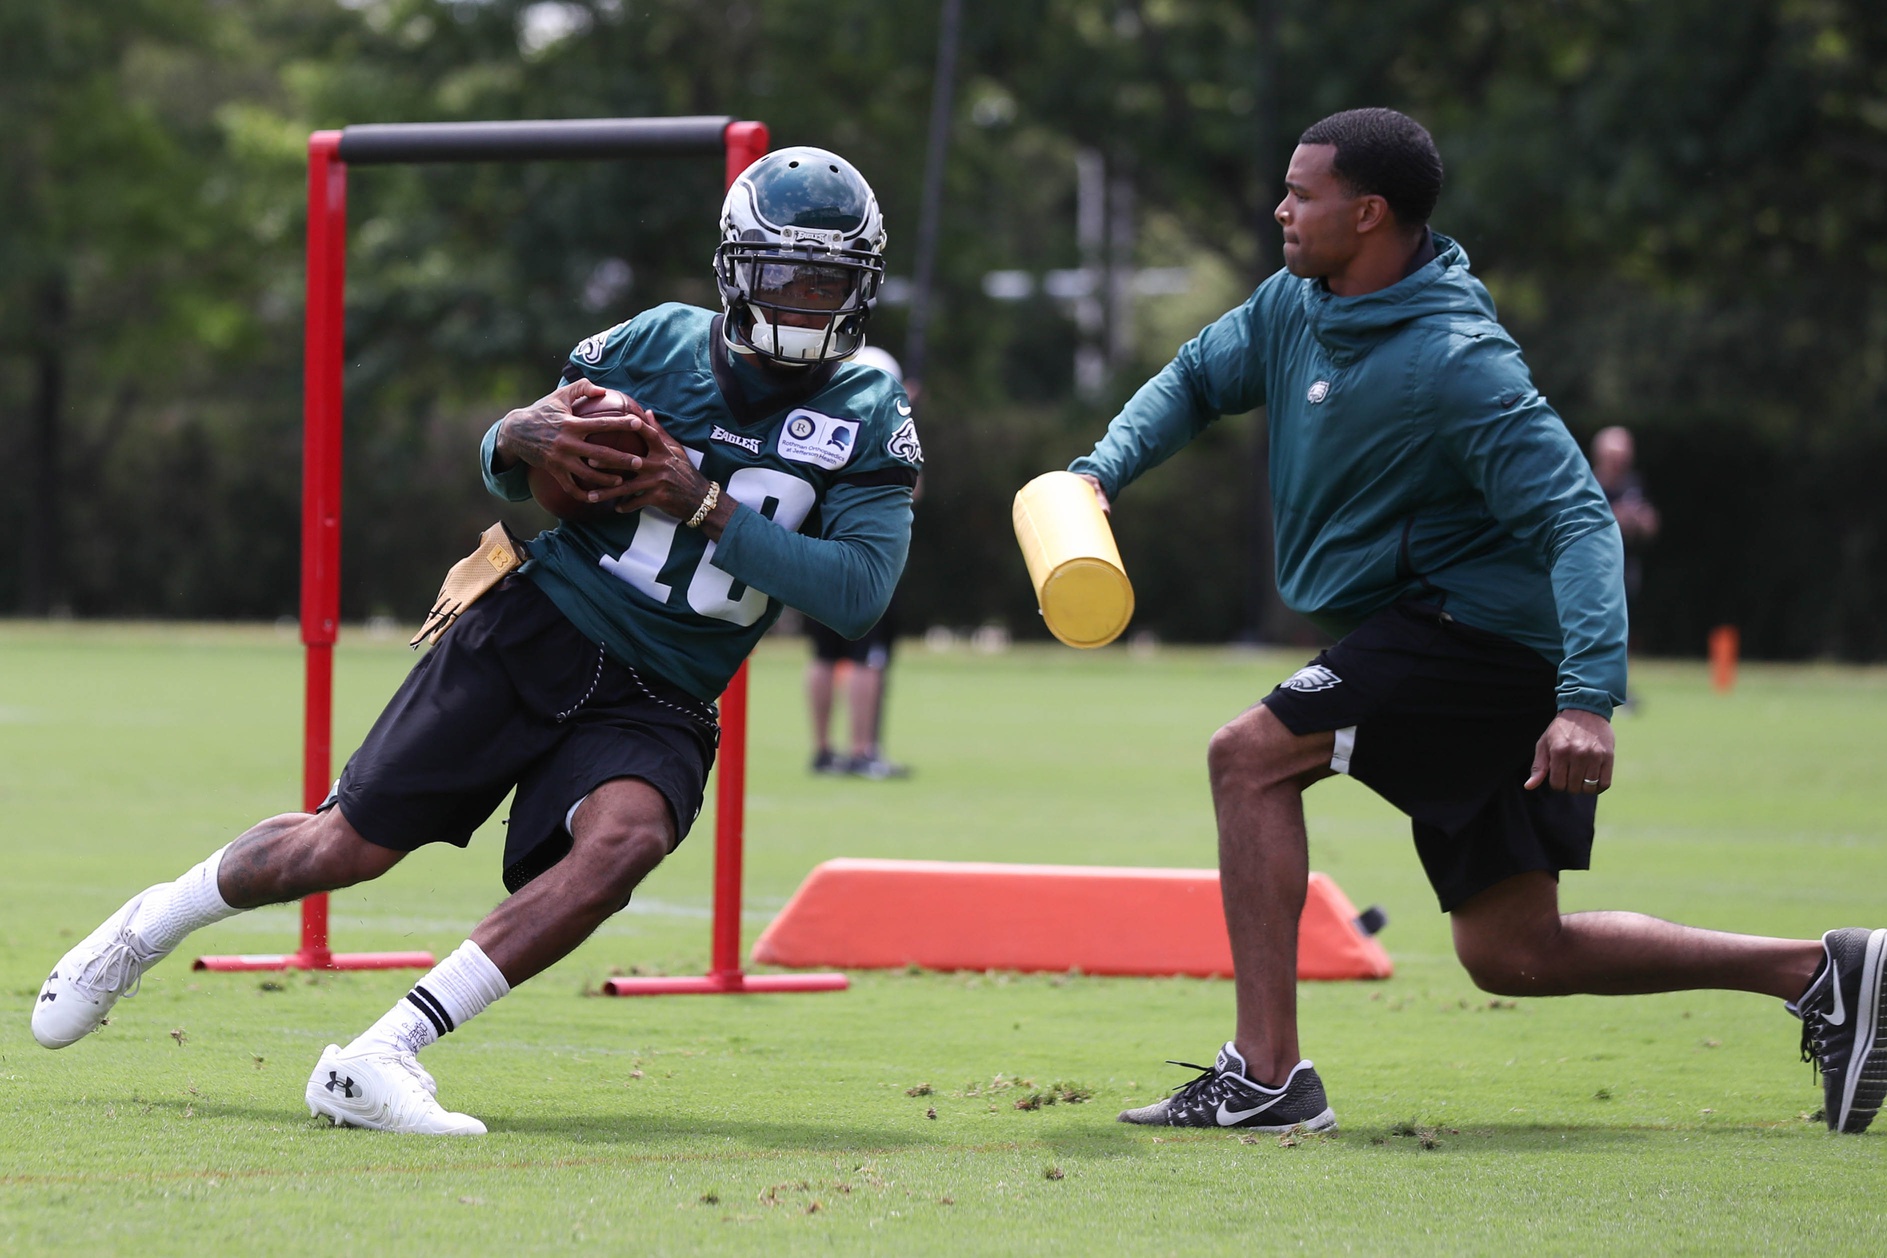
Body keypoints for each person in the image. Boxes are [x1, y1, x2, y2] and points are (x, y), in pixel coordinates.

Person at [30, 147, 923, 1136]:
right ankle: (146, 926)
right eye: (785, 275)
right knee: (344, 847)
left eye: (828, 279)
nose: (804, 300)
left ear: (861, 287)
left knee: (626, 841)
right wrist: (514, 436)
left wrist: (706, 504)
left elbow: (858, 595)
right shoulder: (656, 347)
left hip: (664, 689)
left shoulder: (868, 412)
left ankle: (380, 1054)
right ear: (736, 270)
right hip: (538, 627)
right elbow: (510, 457)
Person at [1065, 108, 1885, 1135]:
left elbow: (1580, 515)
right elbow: (1192, 379)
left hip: (1479, 636)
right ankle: (1823, 972)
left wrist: (1588, 701)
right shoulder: (1292, 304)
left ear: (1367, 214)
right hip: (1448, 636)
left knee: (1248, 757)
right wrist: (1100, 472)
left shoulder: (1458, 360)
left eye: (1301, 193)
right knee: (1513, 950)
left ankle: (1266, 1077)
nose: (1280, 209)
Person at [805, 344, 912, 779]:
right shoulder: (881, 431)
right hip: (863, 563)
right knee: (870, 657)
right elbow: (905, 494)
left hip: (814, 557)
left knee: (824, 656)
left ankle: (823, 749)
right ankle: (864, 750)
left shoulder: (817, 427)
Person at [1589, 425, 1659, 643]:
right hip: (1594, 568)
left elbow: (1652, 527)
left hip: (1627, 567)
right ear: (1599, 456)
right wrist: (1616, 518)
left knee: (1623, 627)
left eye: (1624, 457)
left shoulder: (1634, 485)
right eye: (1614, 457)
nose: (1620, 463)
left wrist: (1642, 521)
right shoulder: (1587, 486)